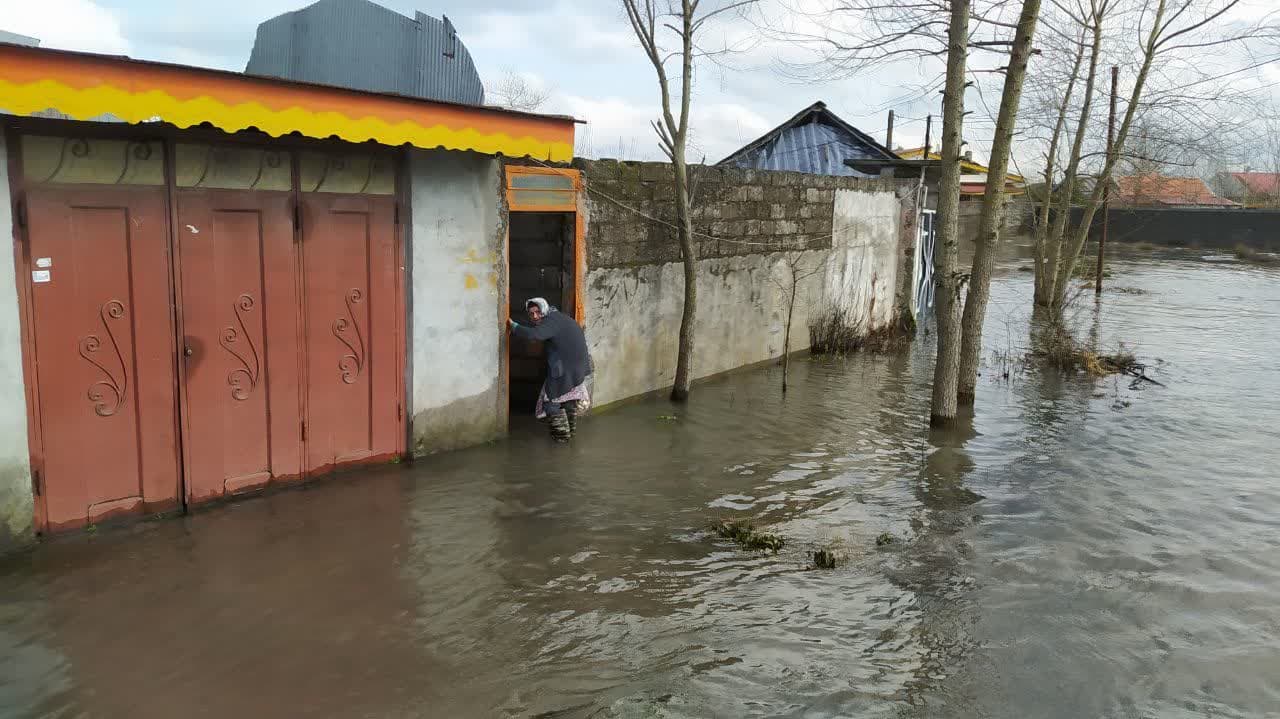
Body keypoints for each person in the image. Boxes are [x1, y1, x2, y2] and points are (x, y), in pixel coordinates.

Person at [509, 297, 592, 442]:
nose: (535, 316)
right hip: (578, 367)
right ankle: (570, 437)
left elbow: (534, 335)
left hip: (565, 369)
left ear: (545, 310)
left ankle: (561, 439)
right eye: (531, 313)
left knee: (550, 402)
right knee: (568, 400)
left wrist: (513, 326)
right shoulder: (559, 318)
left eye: (538, 312)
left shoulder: (551, 321)